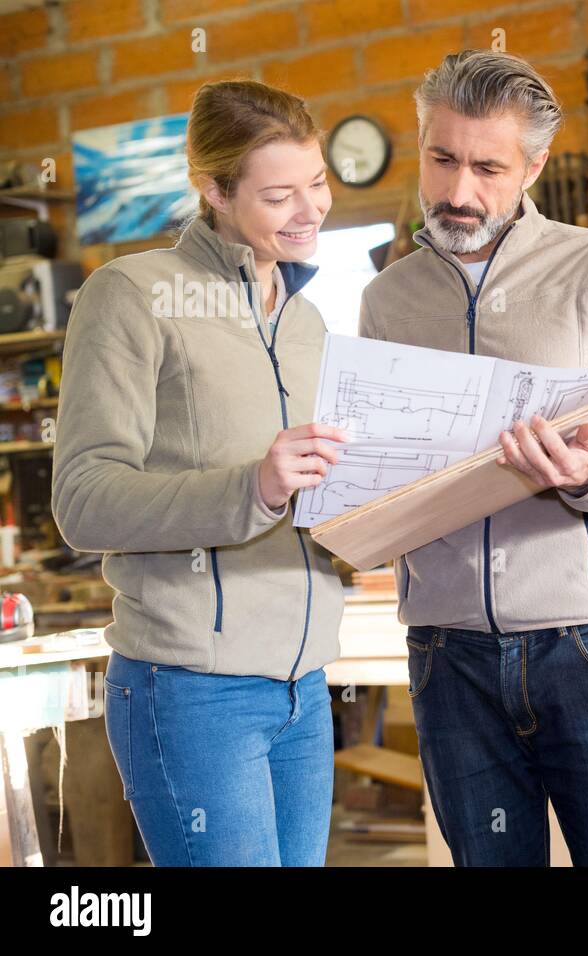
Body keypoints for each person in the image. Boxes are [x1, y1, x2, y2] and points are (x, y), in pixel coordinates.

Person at [359, 50, 588, 867]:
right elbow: (370, 477)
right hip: (447, 659)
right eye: (441, 159)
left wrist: (583, 474)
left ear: (534, 165)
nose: (458, 192)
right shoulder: (385, 301)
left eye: (487, 167)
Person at [51, 80, 349, 866]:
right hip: (192, 690)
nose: (310, 209)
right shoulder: (132, 296)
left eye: (316, 182)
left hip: (306, 686)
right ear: (214, 191)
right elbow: (83, 500)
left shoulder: (309, 319)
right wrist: (252, 487)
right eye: (279, 194)